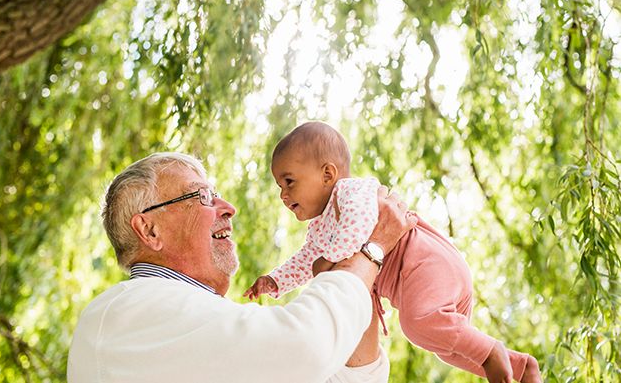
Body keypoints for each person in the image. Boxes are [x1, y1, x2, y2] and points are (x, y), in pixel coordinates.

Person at [67, 152, 418, 383]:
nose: (228, 207)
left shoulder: (186, 322)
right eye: (202, 197)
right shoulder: (126, 312)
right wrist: (371, 251)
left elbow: (345, 376)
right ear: (150, 230)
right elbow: (303, 347)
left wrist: (356, 268)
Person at [244, 122, 543, 383]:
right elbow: (306, 259)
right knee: (444, 348)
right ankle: (521, 366)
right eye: (279, 186)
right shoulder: (320, 229)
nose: (283, 194)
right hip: (423, 281)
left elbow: (357, 228)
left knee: (418, 325)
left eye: (289, 181)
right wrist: (275, 281)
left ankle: (491, 351)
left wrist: (329, 260)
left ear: (327, 174)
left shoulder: (351, 192)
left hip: (425, 263)